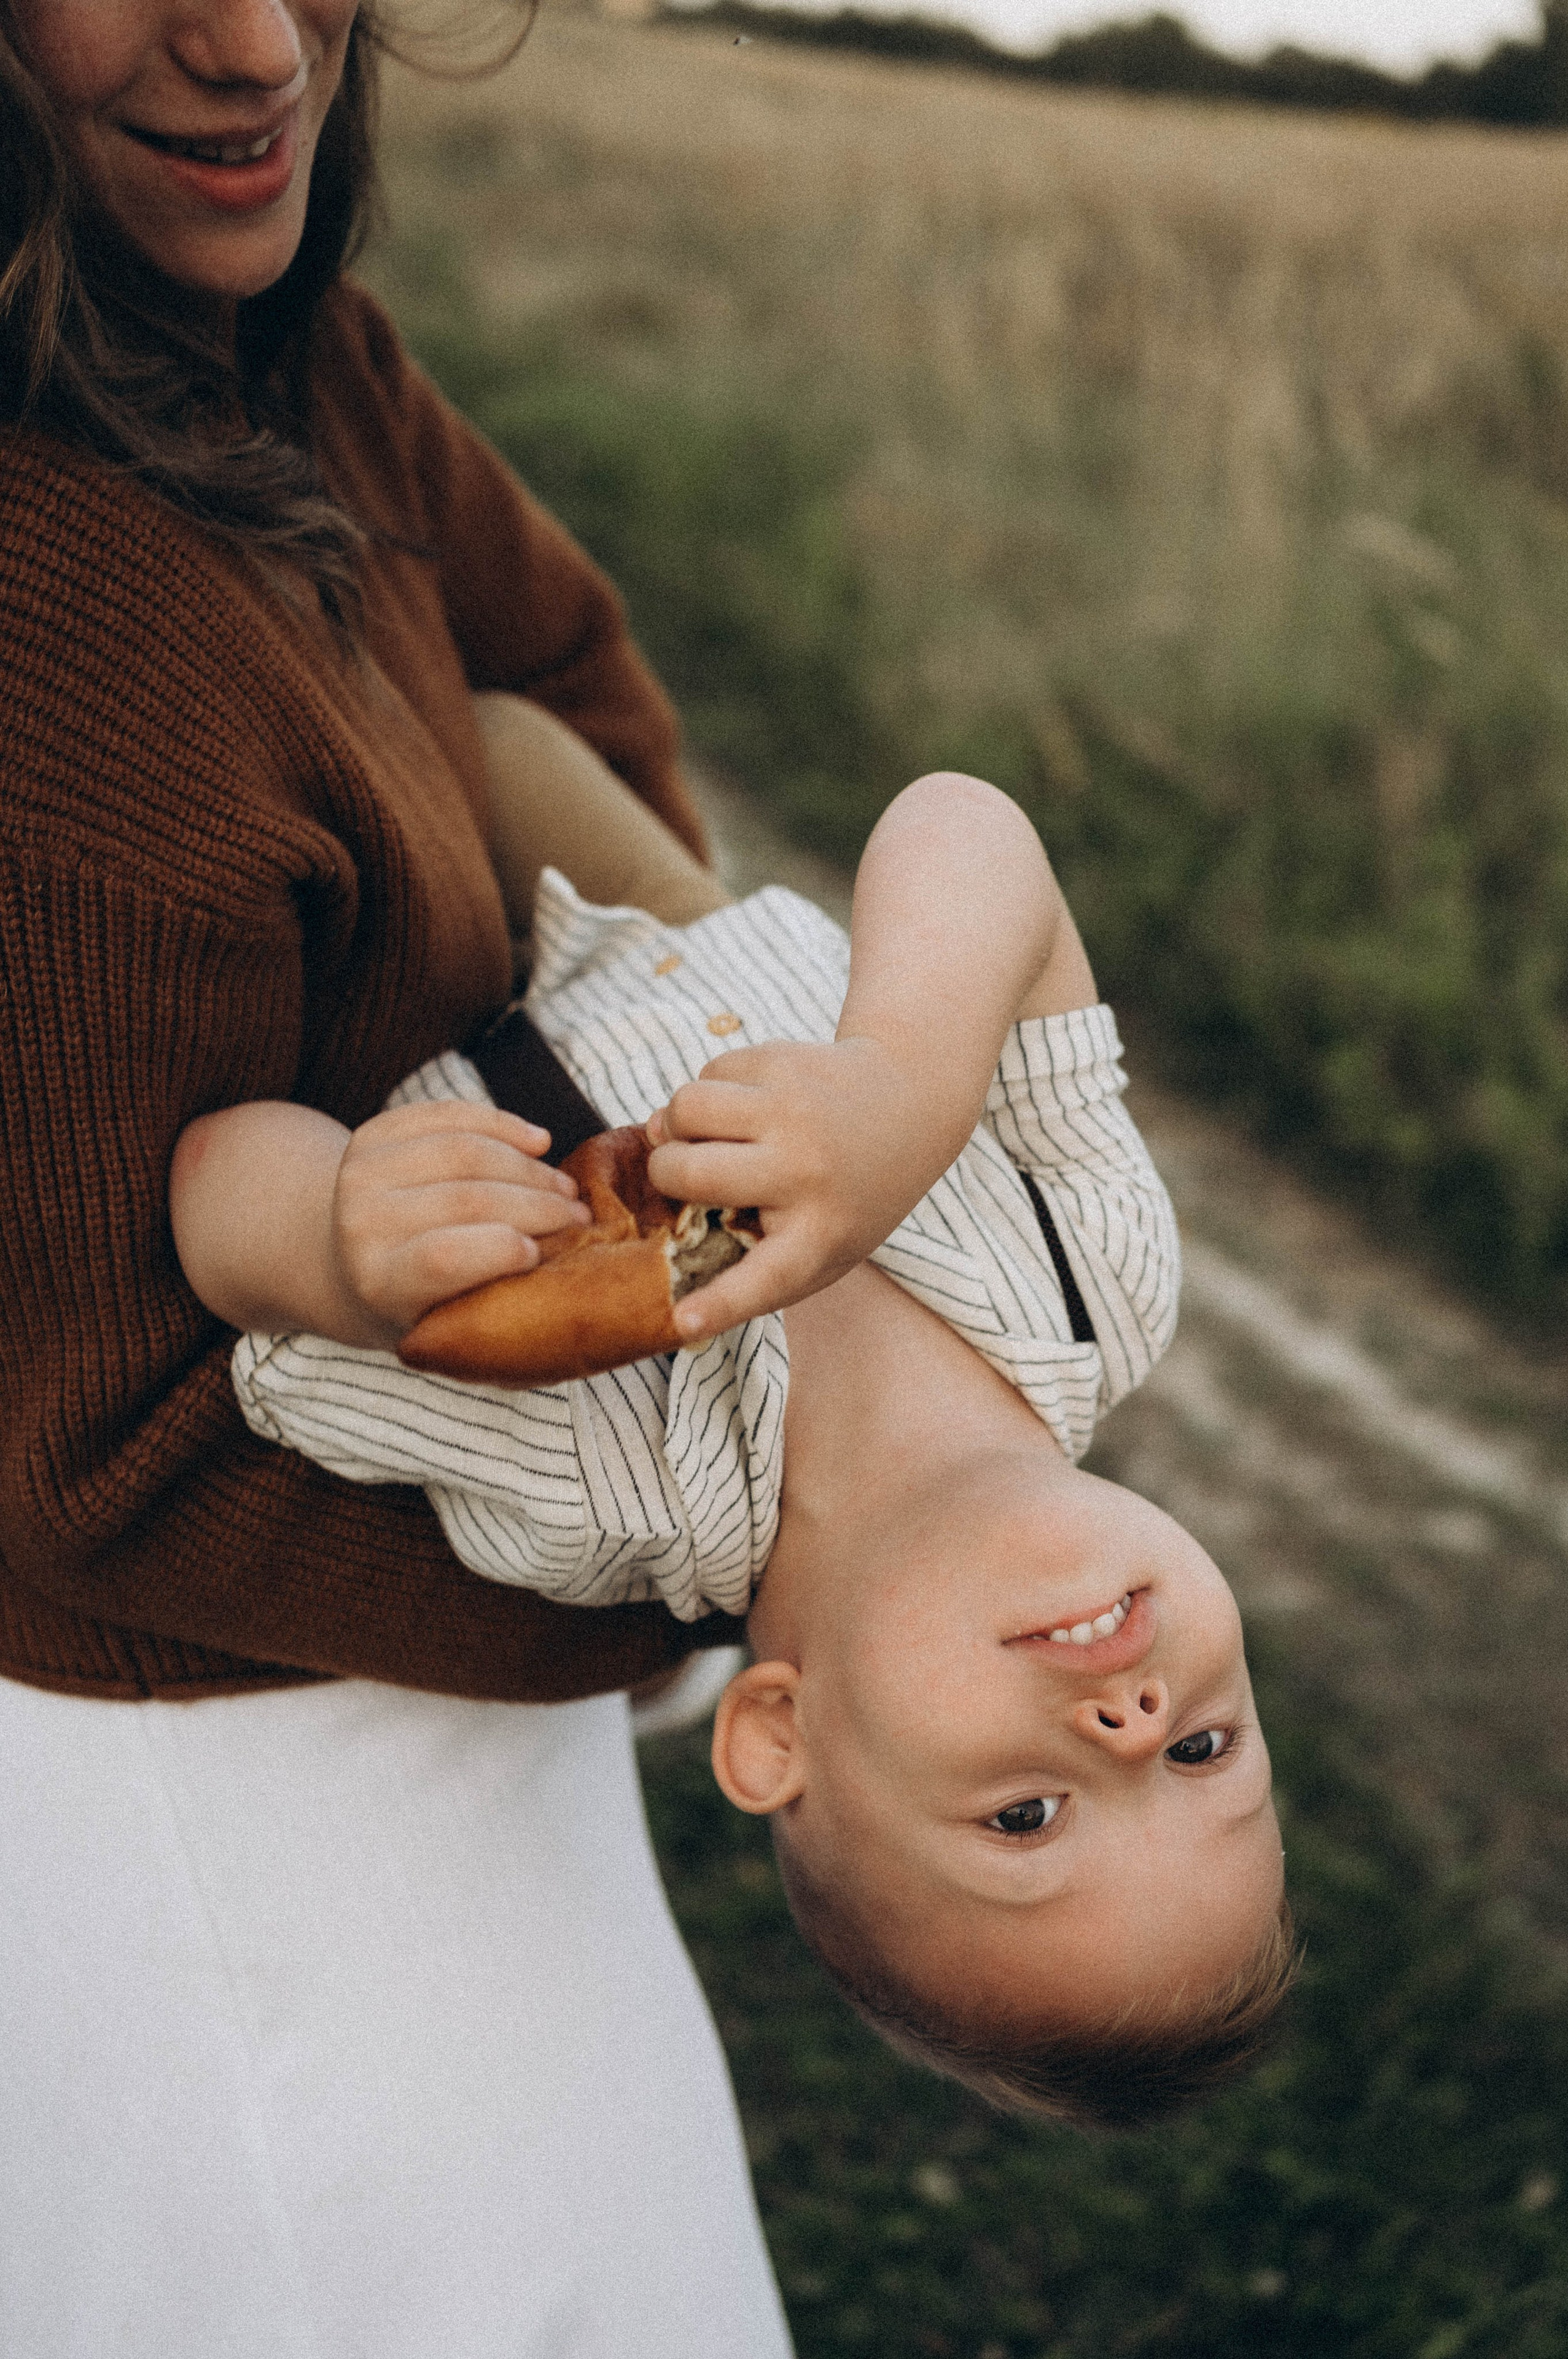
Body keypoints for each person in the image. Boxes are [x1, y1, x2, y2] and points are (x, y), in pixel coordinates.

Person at [0, 0, 795, 2348]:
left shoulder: (289, 359)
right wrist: (747, 1545)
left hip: (456, 1721)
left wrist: (596, 1120)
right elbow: (91, 1452)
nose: (257, 42)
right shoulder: (45, 619)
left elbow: (569, 686)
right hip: (246, 1840)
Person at [176, 767, 1297, 2132]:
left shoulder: (595, 1493)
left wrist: (337, 1244)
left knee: (281, 765)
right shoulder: (1099, 1278)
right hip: (654, 902)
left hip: (414, 982)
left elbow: (217, 1218)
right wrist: (902, 1081)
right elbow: (964, 828)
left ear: (777, 1732)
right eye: (1204, 1754)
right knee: (480, 702)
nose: (1132, 1727)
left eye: (1025, 1819)